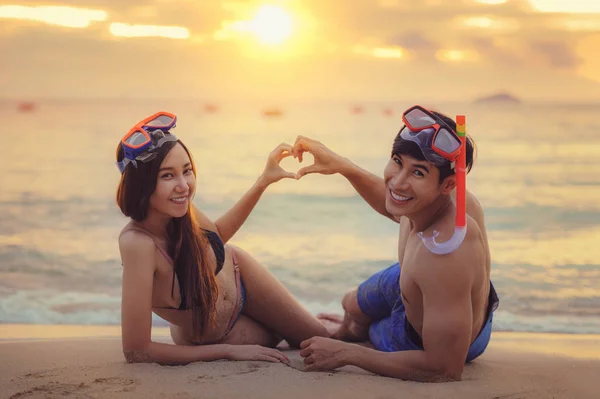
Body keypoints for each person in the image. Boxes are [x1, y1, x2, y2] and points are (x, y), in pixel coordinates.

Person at [294, 106, 499, 382]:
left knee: (372, 330)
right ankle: (351, 325)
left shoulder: (445, 251)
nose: (398, 182)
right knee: (350, 304)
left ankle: (358, 333)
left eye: (418, 173)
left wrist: (346, 354)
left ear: (448, 185)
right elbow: (390, 200)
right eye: (397, 161)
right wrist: (343, 165)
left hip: (437, 340)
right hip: (429, 286)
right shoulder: (426, 202)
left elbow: (446, 367)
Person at [115, 111, 328, 366]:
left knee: (321, 337)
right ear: (141, 184)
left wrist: (263, 182)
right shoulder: (137, 244)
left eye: (187, 171)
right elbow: (136, 350)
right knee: (296, 341)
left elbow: (216, 239)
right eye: (167, 175)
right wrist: (227, 351)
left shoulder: (178, 208)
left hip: (241, 274)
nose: (184, 185)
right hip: (216, 334)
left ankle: (343, 322)